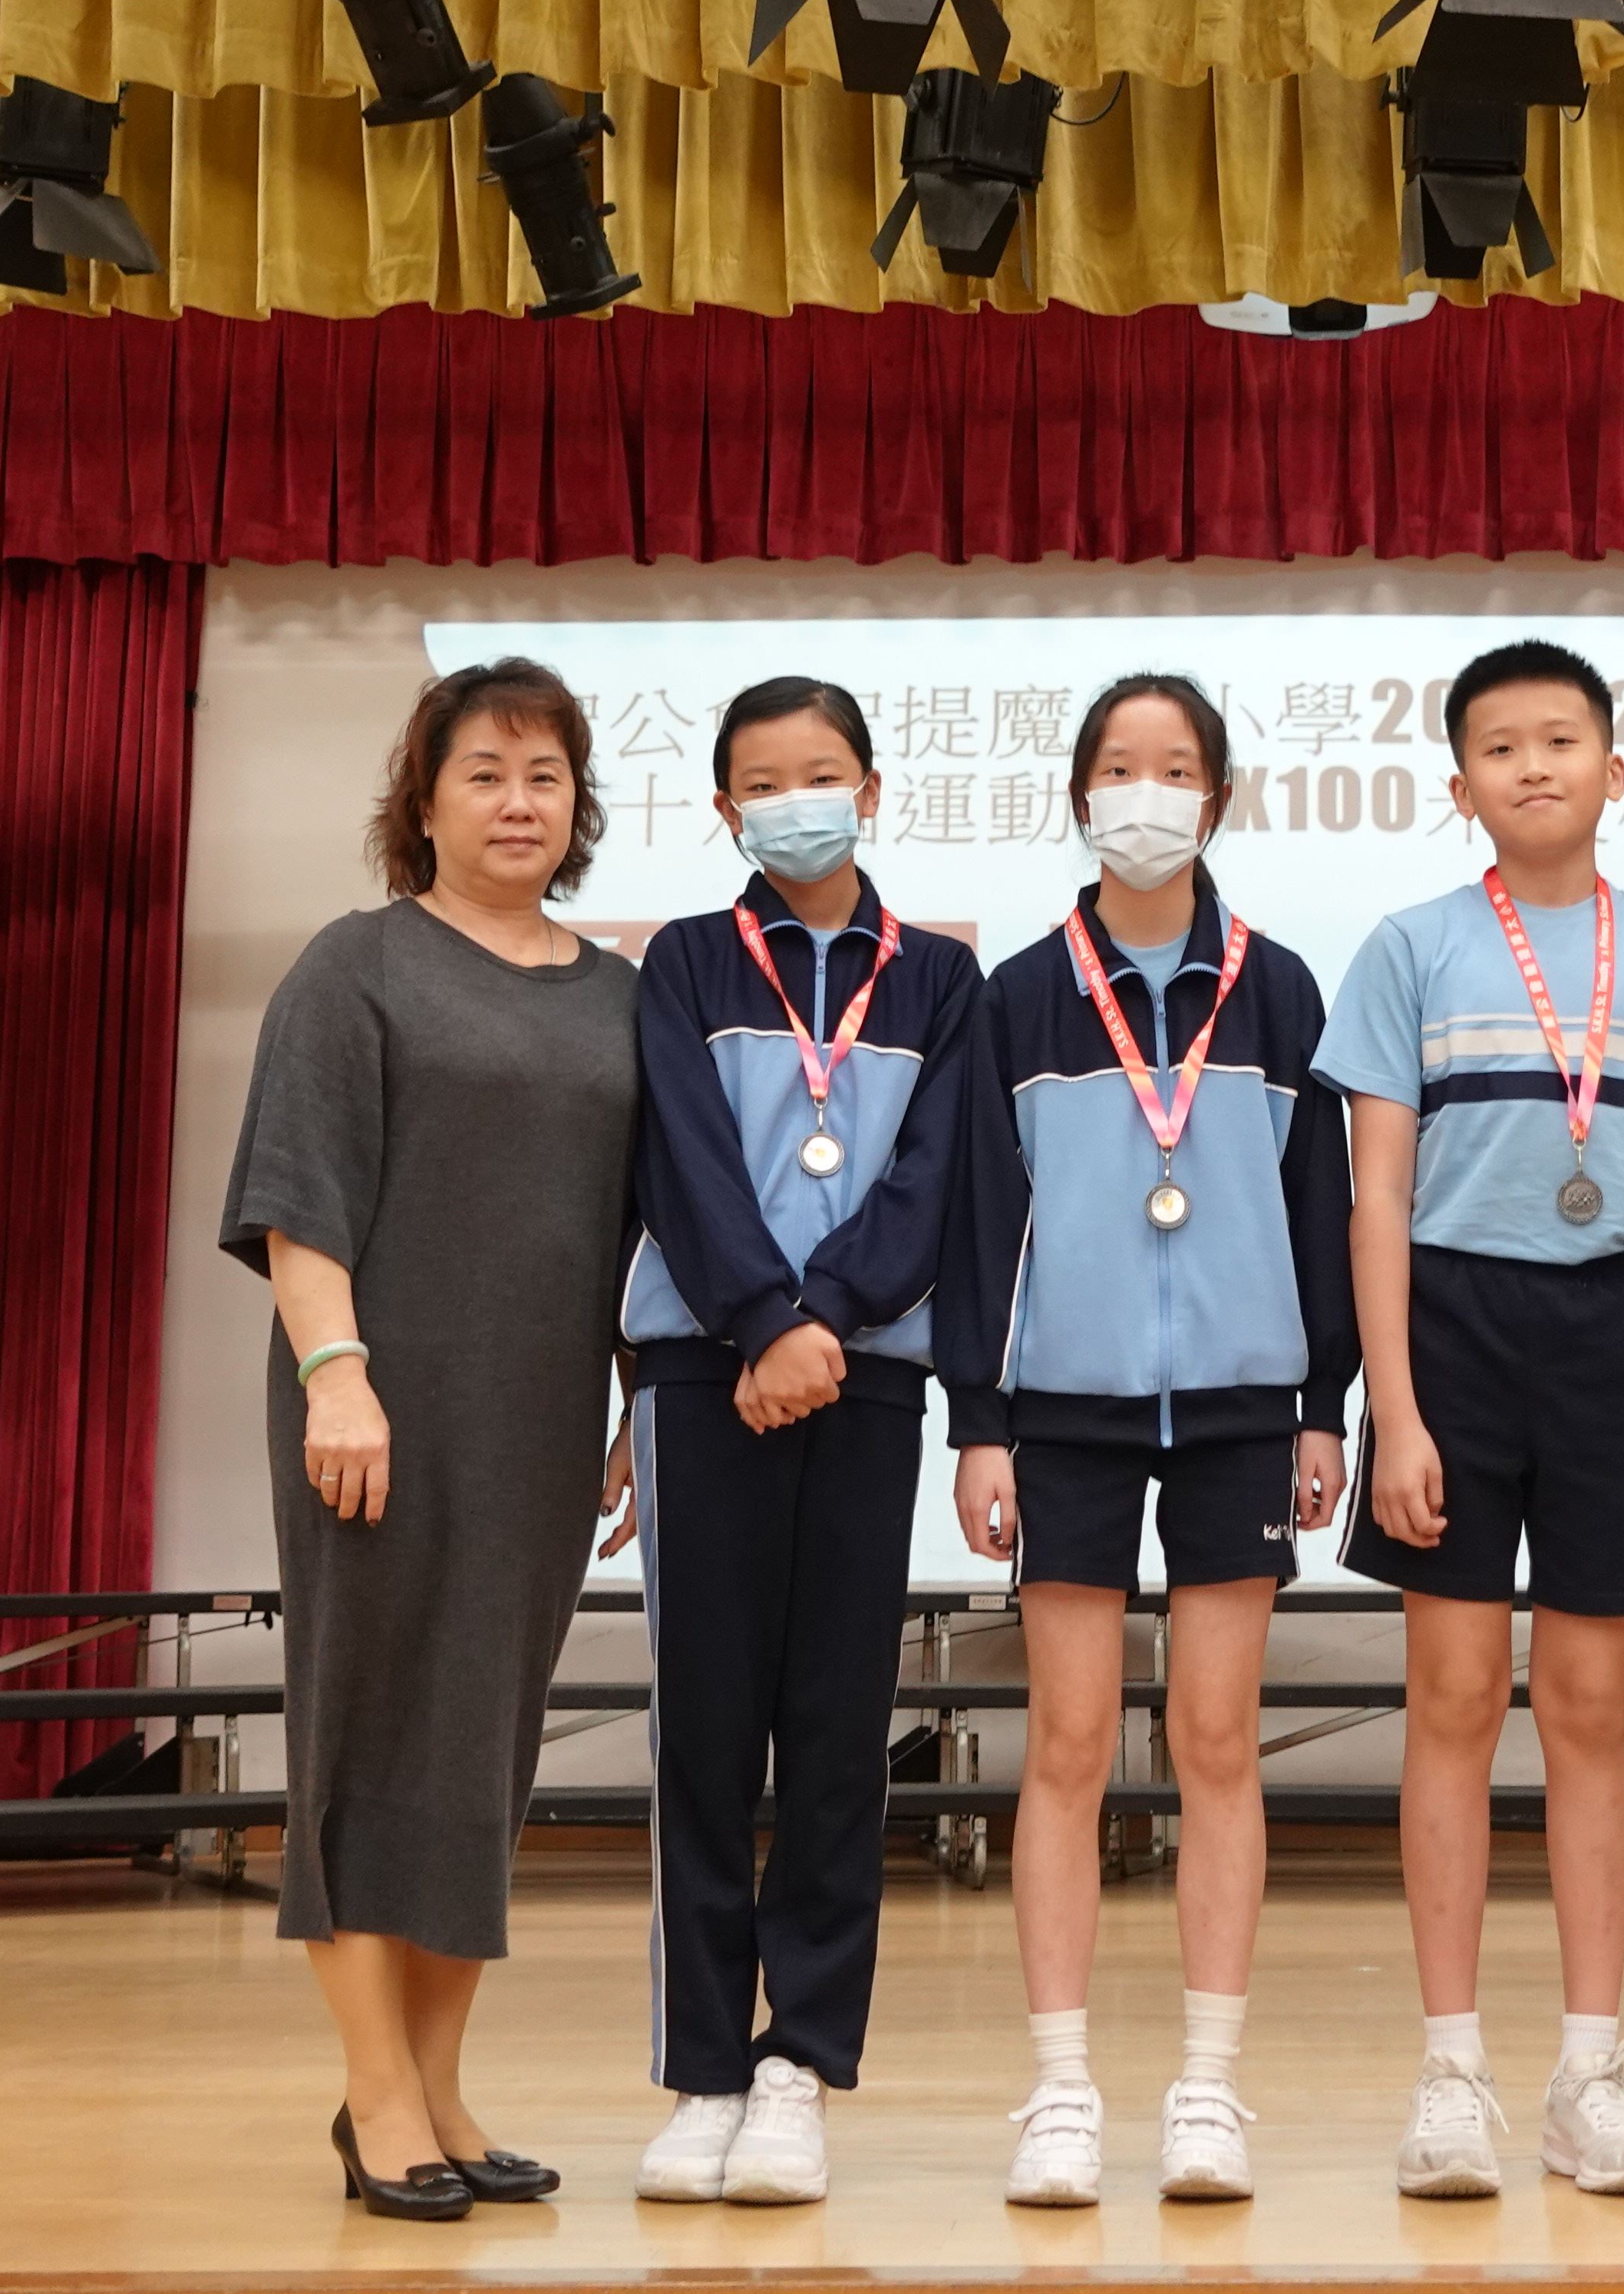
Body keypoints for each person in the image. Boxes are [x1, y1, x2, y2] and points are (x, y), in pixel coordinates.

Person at [1317, 638, 1624, 2200]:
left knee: (1587, 1710)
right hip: (1448, 1328)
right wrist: (1396, 1408)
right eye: (1499, 747)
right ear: (1460, 787)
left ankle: (1590, 2077)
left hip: (1607, 1338)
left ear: (1614, 769)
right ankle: (1450, 2076)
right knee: (1450, 1700)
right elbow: (1374, 1193)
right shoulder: (1408, 948)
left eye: (1560, 740)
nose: (1533, 766)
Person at [217, 657, 639, 2222]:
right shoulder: (357, 966)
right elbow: (296, 1202)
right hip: (376, 1416)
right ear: (426, 799)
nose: (518, 802)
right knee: (367, 1731)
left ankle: (439, 2086)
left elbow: (640, 1233)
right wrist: (337, 1375)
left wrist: (636, 1410)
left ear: (578, 805)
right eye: (485, 773)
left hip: (540, 1423)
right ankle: (375, 2094)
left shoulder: (621, 996)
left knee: (482, 1746)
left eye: (545, 775)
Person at [939, 674, 1357, 2207]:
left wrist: (1323, 1400)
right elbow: (979, 1225)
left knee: (1217, 1742)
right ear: (1080, 796)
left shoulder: (1281, 989)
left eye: (1175, 768)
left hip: (1244, 1410)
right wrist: (979, 1422)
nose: (1146, 793)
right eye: (1120, 767)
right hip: (1067, 1412)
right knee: (1064, 1745)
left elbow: (1323, 1209)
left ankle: (1209, 2088)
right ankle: (1059, 2091)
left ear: (1217, 800)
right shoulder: (1018, 997)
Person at [617, 675, 983, 2207]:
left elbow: (933, 1176)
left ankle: (797, 2066)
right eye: (762, 784)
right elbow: (678, 1159)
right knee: (703, 1731)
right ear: (723, 810)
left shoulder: (940, 978)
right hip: (703, 1369)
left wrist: (822, 1318)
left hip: (865, 1374)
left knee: (836, 1731)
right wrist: (763, 1320)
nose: (794, 803)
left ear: (872, 791)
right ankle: (705, 2065)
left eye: (820, 774)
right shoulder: (683, 960)